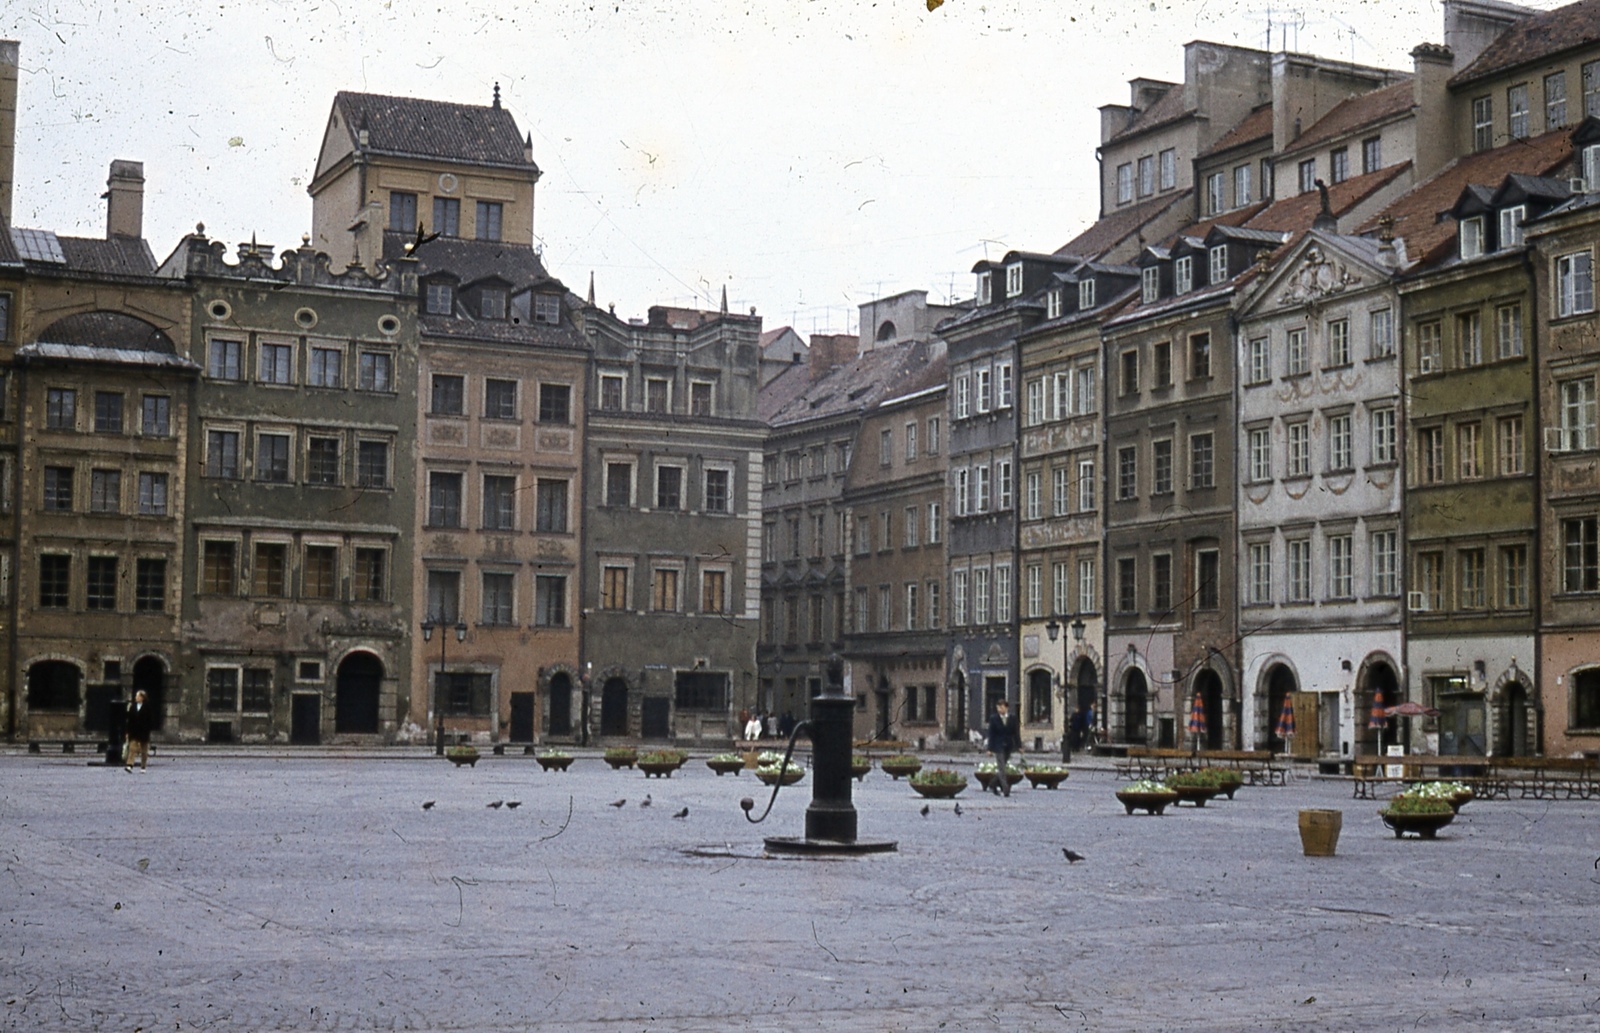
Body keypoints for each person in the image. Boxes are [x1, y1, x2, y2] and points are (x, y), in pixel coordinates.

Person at [986, 698, 1020, 797]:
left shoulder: (1012, 718)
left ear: (1006, 708)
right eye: (998, 708)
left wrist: (1019, 746)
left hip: (1008, 745)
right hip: (998, 745)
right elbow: (991, 734)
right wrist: (990, 749)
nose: (999, 710)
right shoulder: (994, 718)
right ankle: (1006, 789)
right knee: (1002, 768)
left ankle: (992, 784)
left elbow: (1016, 733)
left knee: (1002, 767)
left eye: (1001, 707)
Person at [124, 690, 153, 772]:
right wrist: (127, 731)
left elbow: (150, 720)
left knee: (144, 751)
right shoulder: (132, 707)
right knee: (132, 749)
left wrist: (148, 730)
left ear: (142, 698)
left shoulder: (147, 707)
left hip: (144, 732)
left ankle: (143, 766)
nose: (136, 698)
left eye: (137, 696)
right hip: (134, 731)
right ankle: (129, 765)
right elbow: (129, 720)